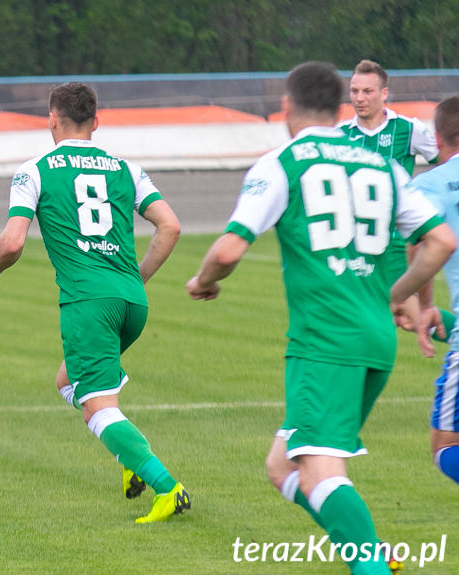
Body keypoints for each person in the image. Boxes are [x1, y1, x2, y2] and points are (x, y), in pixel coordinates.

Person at [186, 62, 454, 574]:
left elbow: (228, 250)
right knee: (282, 465)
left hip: (325, 341)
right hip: (375, 339)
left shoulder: (282, 162)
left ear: (286, 108)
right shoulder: (384, 166)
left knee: (321, 474)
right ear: (338, 110)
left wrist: (203, 281)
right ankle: (373, 553)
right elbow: (441, 241)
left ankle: (370, 564)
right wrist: (395, 293)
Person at [0, 82, 189, 523]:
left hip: (87, 301)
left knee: (97, 405)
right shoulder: (125, 168)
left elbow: (13, 241)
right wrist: (136, 279)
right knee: (67, 380)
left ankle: (168, 488)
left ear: (51, 119)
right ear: (96, 122)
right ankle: (129, 459)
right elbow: (169, 226)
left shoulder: (33, 170)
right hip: (132, 300)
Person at [339, 59, 456, 339]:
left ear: (384, 93)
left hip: (393, 242)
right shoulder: (340, 136)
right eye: (354, 91)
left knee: (405, 314)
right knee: (364, 317)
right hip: (355, 243)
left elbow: (445, 159)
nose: (359, 98)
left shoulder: (408, 129)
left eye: (367, 91)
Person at [406, 95, 459, 488]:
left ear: (437, 138)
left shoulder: (429, 184)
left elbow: (418, 242)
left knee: (446, 446)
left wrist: (420, 303)